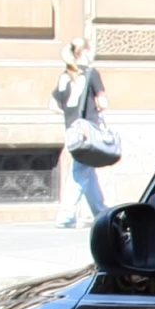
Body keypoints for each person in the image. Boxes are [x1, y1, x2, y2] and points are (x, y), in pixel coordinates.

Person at [52, 38, 109, 228]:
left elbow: (53, 105)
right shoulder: (91, 73)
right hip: (87, 130)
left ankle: (100, 211)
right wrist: (95, 110)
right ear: (84, 52)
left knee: (86, 171)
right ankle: (66, 215)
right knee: (80, 171)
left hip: (71, 129)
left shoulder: (65, 75)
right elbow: (103, 103)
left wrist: (70, 115)